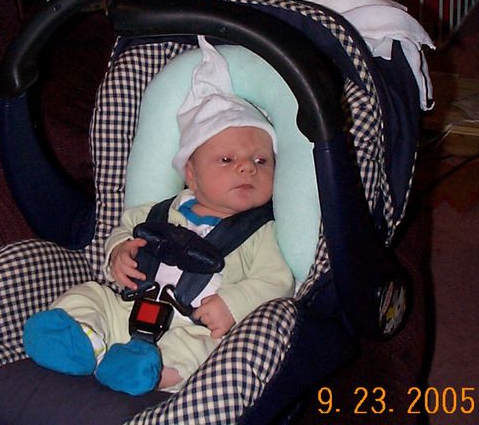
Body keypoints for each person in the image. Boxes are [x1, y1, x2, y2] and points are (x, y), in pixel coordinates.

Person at [22, 37, 295, 396]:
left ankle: (149, 372)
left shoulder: (261, 231)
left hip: (194, 323)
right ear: (191, 175)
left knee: (203, 348)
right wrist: (119, 253)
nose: (247, 168)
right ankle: (81, 341)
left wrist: (234, 304)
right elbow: (123, 232)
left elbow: (276, 281)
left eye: (261, 160)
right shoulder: (157, 212)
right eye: (227, 159)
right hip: (129, 306)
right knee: (90, 294)